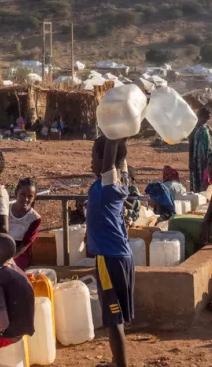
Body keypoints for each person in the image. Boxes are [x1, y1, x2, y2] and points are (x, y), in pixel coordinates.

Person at [87, 136, 134, 367]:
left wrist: (113, 139)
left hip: (109, 258)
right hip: (118, 255)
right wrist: (123, 135)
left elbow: (112, 160)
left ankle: (120, 364)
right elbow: (120, 161)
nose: (91, 163)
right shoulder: (122, 181)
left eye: (94, 157)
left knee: (112, 317)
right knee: (116, 315)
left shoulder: (109, 187)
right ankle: (117, 362)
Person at [9, 178, 42, 270]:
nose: (26, 199)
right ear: (16, 193)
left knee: (10, 268)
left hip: (20, 253)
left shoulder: (35, 218)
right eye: (22, 194)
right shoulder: (5, 211)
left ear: (34, 197)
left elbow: (25, 243)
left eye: (30, 196)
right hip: (1, 248)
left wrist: (10, 258)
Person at [189, 108, 212, 193]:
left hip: (207, 158)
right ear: (199, 116)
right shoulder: (193, 128)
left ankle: (206, 193)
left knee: (206, 175)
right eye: (206, 118)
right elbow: (191, 145)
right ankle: (198, 194)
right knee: (197, 175)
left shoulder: (207, 127)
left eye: (208, 118)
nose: (207, 120)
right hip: (196, 158)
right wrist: (190, 161)